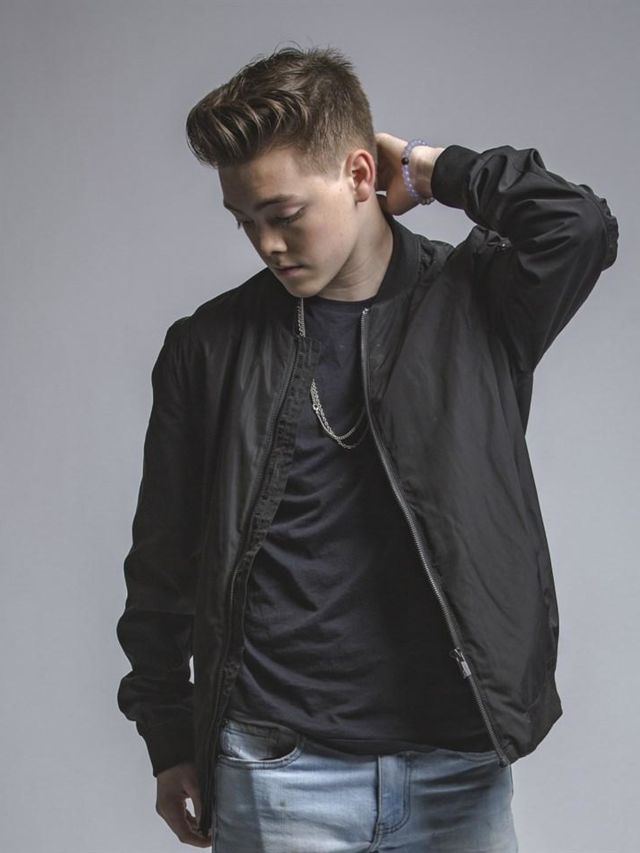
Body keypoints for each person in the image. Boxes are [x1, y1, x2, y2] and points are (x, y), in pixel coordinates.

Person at [115, 44, 619, 851]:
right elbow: (163, 561)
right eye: (245, 221)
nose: (266, 244)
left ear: (357, 174)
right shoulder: (207, 347)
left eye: (284, 214)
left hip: (458, 766)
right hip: (278, 768)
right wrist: (168, 738)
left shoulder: (477, 304)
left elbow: (579, 224)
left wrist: (433, 169)